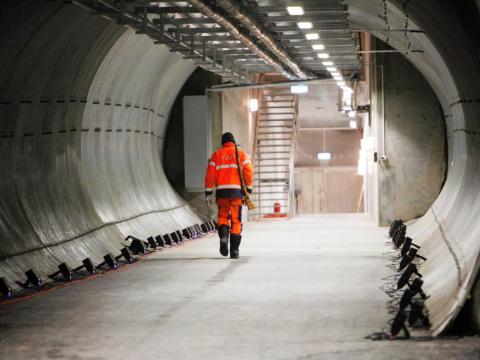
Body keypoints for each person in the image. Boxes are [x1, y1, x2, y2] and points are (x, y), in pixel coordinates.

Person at [204, 132, 253, 259]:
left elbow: (210, 175)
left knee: (223, 217)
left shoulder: (216, 155)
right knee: (236, 220)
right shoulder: (241, 154)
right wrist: (249, 188)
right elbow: (248, 172)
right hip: (237, 193)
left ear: (223, 143)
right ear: (233, 142)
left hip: (222, 193)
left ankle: (224, 238)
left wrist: (208, 192)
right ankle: (235, 250)